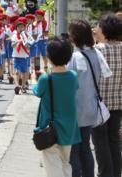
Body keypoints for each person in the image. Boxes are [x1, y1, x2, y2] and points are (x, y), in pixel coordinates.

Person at [67, 20, 112, 177]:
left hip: (75, 110)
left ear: (75, 36)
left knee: (74, 149)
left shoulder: (74, 57)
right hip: (91, 108)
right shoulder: (96, 54)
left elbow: (68, 84)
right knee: (86, 147)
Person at [33, 36, 81, 177]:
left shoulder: (45, 79)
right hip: (69, 127)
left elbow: (37, 91)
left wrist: (38, 78)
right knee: (65, 162)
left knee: (53, 165)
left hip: (50, 128)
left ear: (49, 57)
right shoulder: (73, 76)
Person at [92, 13, 122, 177]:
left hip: (99, 105)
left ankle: (105, 174)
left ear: (103, 30)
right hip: (118, 103)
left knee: (100, 143)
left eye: (98, 26)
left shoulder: (97, 51)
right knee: (114, 142)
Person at [11, 17, 30, 94]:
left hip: (24, 56)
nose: (21, 28)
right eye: (19, 27)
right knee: (16, 72)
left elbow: (29, 45)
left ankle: (23, 86)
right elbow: (12, 45)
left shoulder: (27, 35)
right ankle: (16, 85)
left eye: (22, 27)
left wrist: (25, 41)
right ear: (17, 28)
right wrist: (18, 41)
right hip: (16, 56)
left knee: (24, 72)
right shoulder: (14, 35)